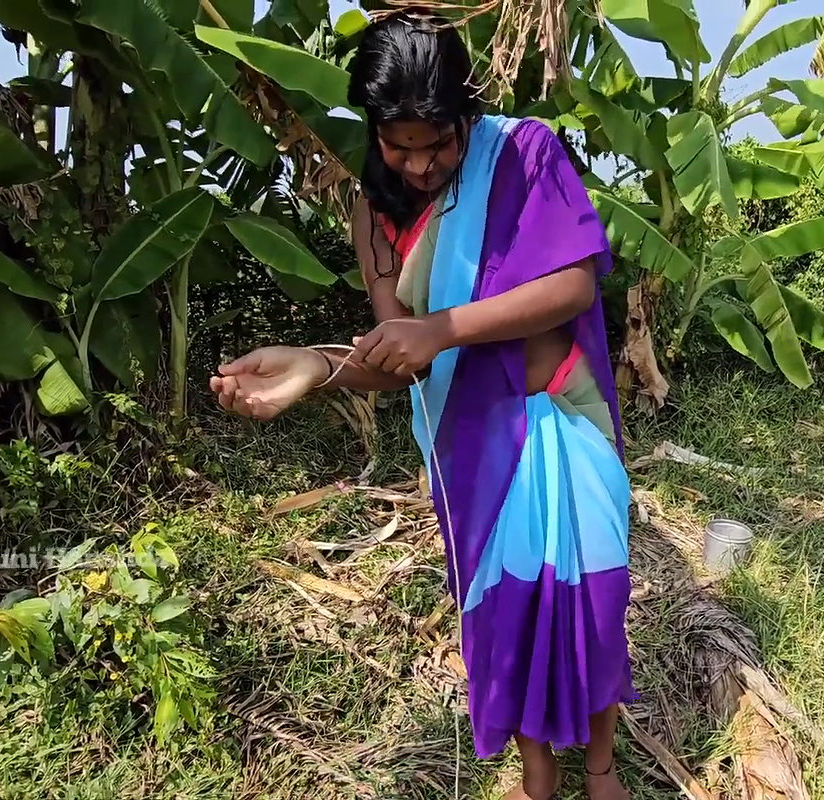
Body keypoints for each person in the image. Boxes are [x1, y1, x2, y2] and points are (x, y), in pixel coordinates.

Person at [208, 11, 633, 800]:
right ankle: (538, 776)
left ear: (467, 115)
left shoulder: (524, 153)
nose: (420, 165)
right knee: (505, 616)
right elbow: (400, 359)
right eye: (398, 147)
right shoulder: (375, 214)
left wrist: (442, 327)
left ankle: (602, 767)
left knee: (593, 606)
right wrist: (313, 367)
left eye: (437, 143)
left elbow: (574, 284)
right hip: (475, 453)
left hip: (564, 421)